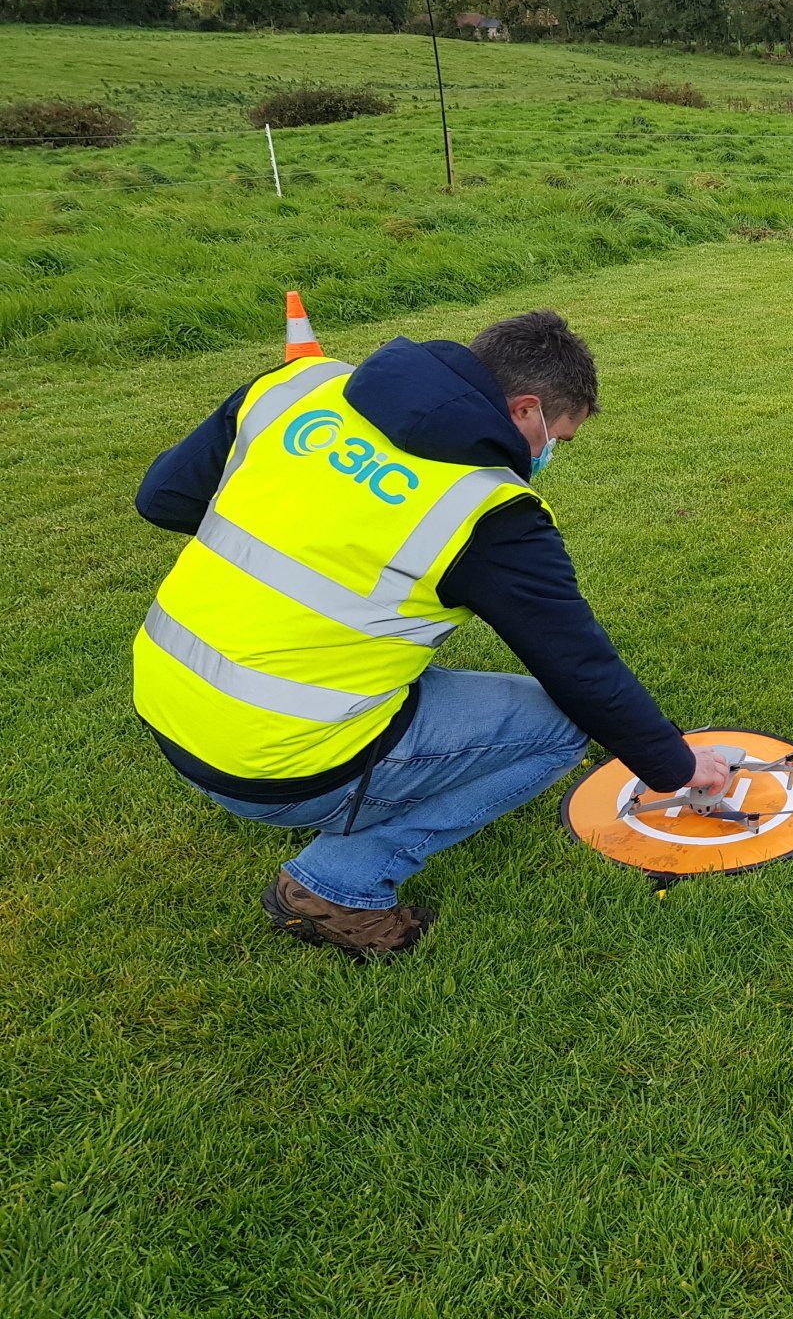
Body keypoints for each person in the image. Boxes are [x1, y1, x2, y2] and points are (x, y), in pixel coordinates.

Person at [133, 310, 731, 962]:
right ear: (526, 411)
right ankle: (339, 885)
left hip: (166, 700)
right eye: (559, 436)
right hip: (273, 759)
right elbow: (581, 672)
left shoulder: (298, 389)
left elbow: (162, 499)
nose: (549, 454)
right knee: (561, 726)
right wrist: (676, 764)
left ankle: (297, 779)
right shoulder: (487, 511)